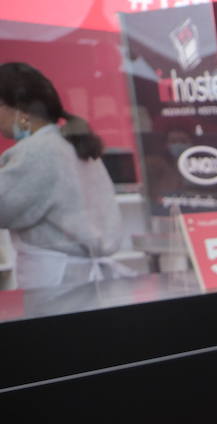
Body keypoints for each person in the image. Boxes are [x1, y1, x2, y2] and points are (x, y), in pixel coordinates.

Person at [0, 62, 125, 288]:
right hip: (83, 281)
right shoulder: (71, 142)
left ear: (18, 109)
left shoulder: (36, 152)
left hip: (58, 285)